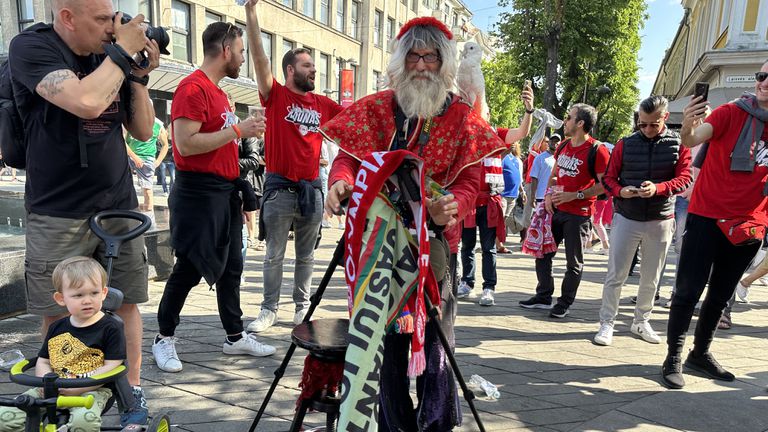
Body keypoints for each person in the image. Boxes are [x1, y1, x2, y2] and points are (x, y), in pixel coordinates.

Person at [323, 16, 509, 431]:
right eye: (414, 56)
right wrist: (340, 183)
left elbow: (471, 181)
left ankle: (436, 423)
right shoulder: (374, 108)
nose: (421, 65)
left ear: (445, 63)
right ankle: (391, 425)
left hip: (435, 248)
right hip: (376, 250)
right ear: (400, 61)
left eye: (430, 57)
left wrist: (455, 205)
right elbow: (348, 158)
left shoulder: (463, 118)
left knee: (436, 349)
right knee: (384, 347)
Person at [8, 0, 158, 424]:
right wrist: (121, 53)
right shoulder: (32, 48)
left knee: (125, 302)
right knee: (59, 309)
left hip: (117, 204)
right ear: (67, 17)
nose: (112, 27)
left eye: (114, 18)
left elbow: (144, 131)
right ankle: (62, 392)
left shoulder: (109, 55)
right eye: (101, 19)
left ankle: (132, 390)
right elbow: (88, 101)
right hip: (57, 208)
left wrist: (140, 79)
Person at [152, 22, 276, 374]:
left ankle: (234, 336)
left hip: (223, 193)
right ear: (225, 51)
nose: (242, 59)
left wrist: (241, 133)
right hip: (197, 194)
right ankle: (163, 338)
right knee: (190, 268)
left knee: (232, 267)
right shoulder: (193, 87)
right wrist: (238, 129)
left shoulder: (222, 93)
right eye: (239, 52)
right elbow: (185, 145)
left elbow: (217, 146)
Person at [662, 62, 768, 389]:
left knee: (721, 295)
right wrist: (688, 125)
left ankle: (700, 354)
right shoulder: (730, 112)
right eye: (762, 75)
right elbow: (693, 137)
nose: (764, 82)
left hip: (749, 226)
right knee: (688, 291)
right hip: (708, 216)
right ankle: (673, 357)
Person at [244, 0, 344, 332]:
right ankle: (268, 309)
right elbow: (259, 60)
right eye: (307, 66)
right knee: (274, 255)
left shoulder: (323, 104)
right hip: (279, 189)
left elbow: (356, 121)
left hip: (312, 190)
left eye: (314, 66)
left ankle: (302, 309)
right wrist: (251, 13)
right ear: (290, 70)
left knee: (307, 256)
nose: (314, 70)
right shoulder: (275, 96)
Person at [593, 95, 692, 346]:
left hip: (661, 218)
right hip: (627, 215)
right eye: (642, 123)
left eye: (653, 124)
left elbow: (685, 178)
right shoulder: (625, 144)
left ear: (665, 118)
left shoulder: (679, 145)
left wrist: (658, 188)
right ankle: (607, 322)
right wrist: (620, 191)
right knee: (616, 274)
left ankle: (641, 321)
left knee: (652, 277)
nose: (647, 129)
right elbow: (609, 178)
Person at [0, 257, 124, 432]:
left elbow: (113, 364)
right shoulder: (57, 327)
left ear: (104, 293)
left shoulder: (110, 327)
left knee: (84, 422)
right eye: (78, 295)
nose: (87, 300)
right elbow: (44, 360)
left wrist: (81, 386)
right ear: (61, 298)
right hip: (53, 388)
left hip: (93, 389)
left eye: (94, 293)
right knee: (4, 417)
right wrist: (46, 384)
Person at [519, 103, 610, 318]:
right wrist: (549, 194)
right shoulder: (564, 146)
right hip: (556, 210)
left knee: (573, 262)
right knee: (543, 253)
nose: (565, 121)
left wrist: (576, 195)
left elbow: (604, 184)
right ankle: (543, 295)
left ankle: (564, 302)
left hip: (579, 215)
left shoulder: (598, 150)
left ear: (580, 123)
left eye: (569, 118)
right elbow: (555, 174)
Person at [457, 111, 535, 305]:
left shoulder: (496, 134)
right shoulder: (463, 133)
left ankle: (488, 287)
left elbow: (522, 132)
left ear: (488, 113)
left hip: (489, 200)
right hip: (469, 201)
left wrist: (528, 111)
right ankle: (467, 282)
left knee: (489, 247)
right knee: (466, 245)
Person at [125, 117, 168, 213]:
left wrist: (158, 161)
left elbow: (165, 145)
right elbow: (123, 141)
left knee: (147, 190)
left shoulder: (157, 124)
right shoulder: (129, 121)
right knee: (125, 187)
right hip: (129, 155)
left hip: (147, 158)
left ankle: (149, 217)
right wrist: (135, 157)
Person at [498, 141, 525, 253]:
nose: (514, 144)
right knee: (501, 219)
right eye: (511, 142)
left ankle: (499, 243)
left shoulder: (517, 160)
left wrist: (522, 191)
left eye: (515, 143)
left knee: (504, 219)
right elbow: (498, 165)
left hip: (513, 195)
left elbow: (518, 177)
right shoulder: (503, 157)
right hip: (503, 194)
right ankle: (498, 244)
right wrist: (506, 150)